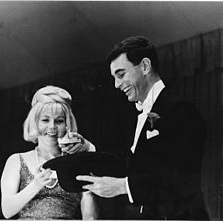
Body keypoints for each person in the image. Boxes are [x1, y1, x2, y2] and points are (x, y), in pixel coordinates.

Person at [76, 36, 209, 219]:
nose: (116, 85)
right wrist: (89, 148)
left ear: (145, 66)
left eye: (121, 75)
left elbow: (180, 177)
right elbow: (132, 166)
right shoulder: (140, 114)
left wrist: (122, 186)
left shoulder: (181, 109)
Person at [0, 85, 98, 219]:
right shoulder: (16, 160)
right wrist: (36, 184)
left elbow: (90, 218)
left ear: (67, 125)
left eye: (59, 121)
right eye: (45, 120)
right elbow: (7, 210)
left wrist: (89, 190)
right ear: (35, 123)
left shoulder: (77, 163)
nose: (52, 126)